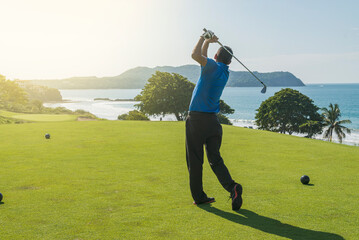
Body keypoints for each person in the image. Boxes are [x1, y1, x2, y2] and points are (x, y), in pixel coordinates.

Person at [185, 30, 242, 210]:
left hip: (197, 121)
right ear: (230, 61)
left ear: (217, 55)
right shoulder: (225, 72)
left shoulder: (211, 66)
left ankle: (200, 197)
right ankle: (232, 187)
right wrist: (209, 42)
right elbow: (204, 57)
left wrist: (203, 37)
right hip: (213, 123)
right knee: (215, 159)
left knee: (195, 160)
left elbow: (196, 55)